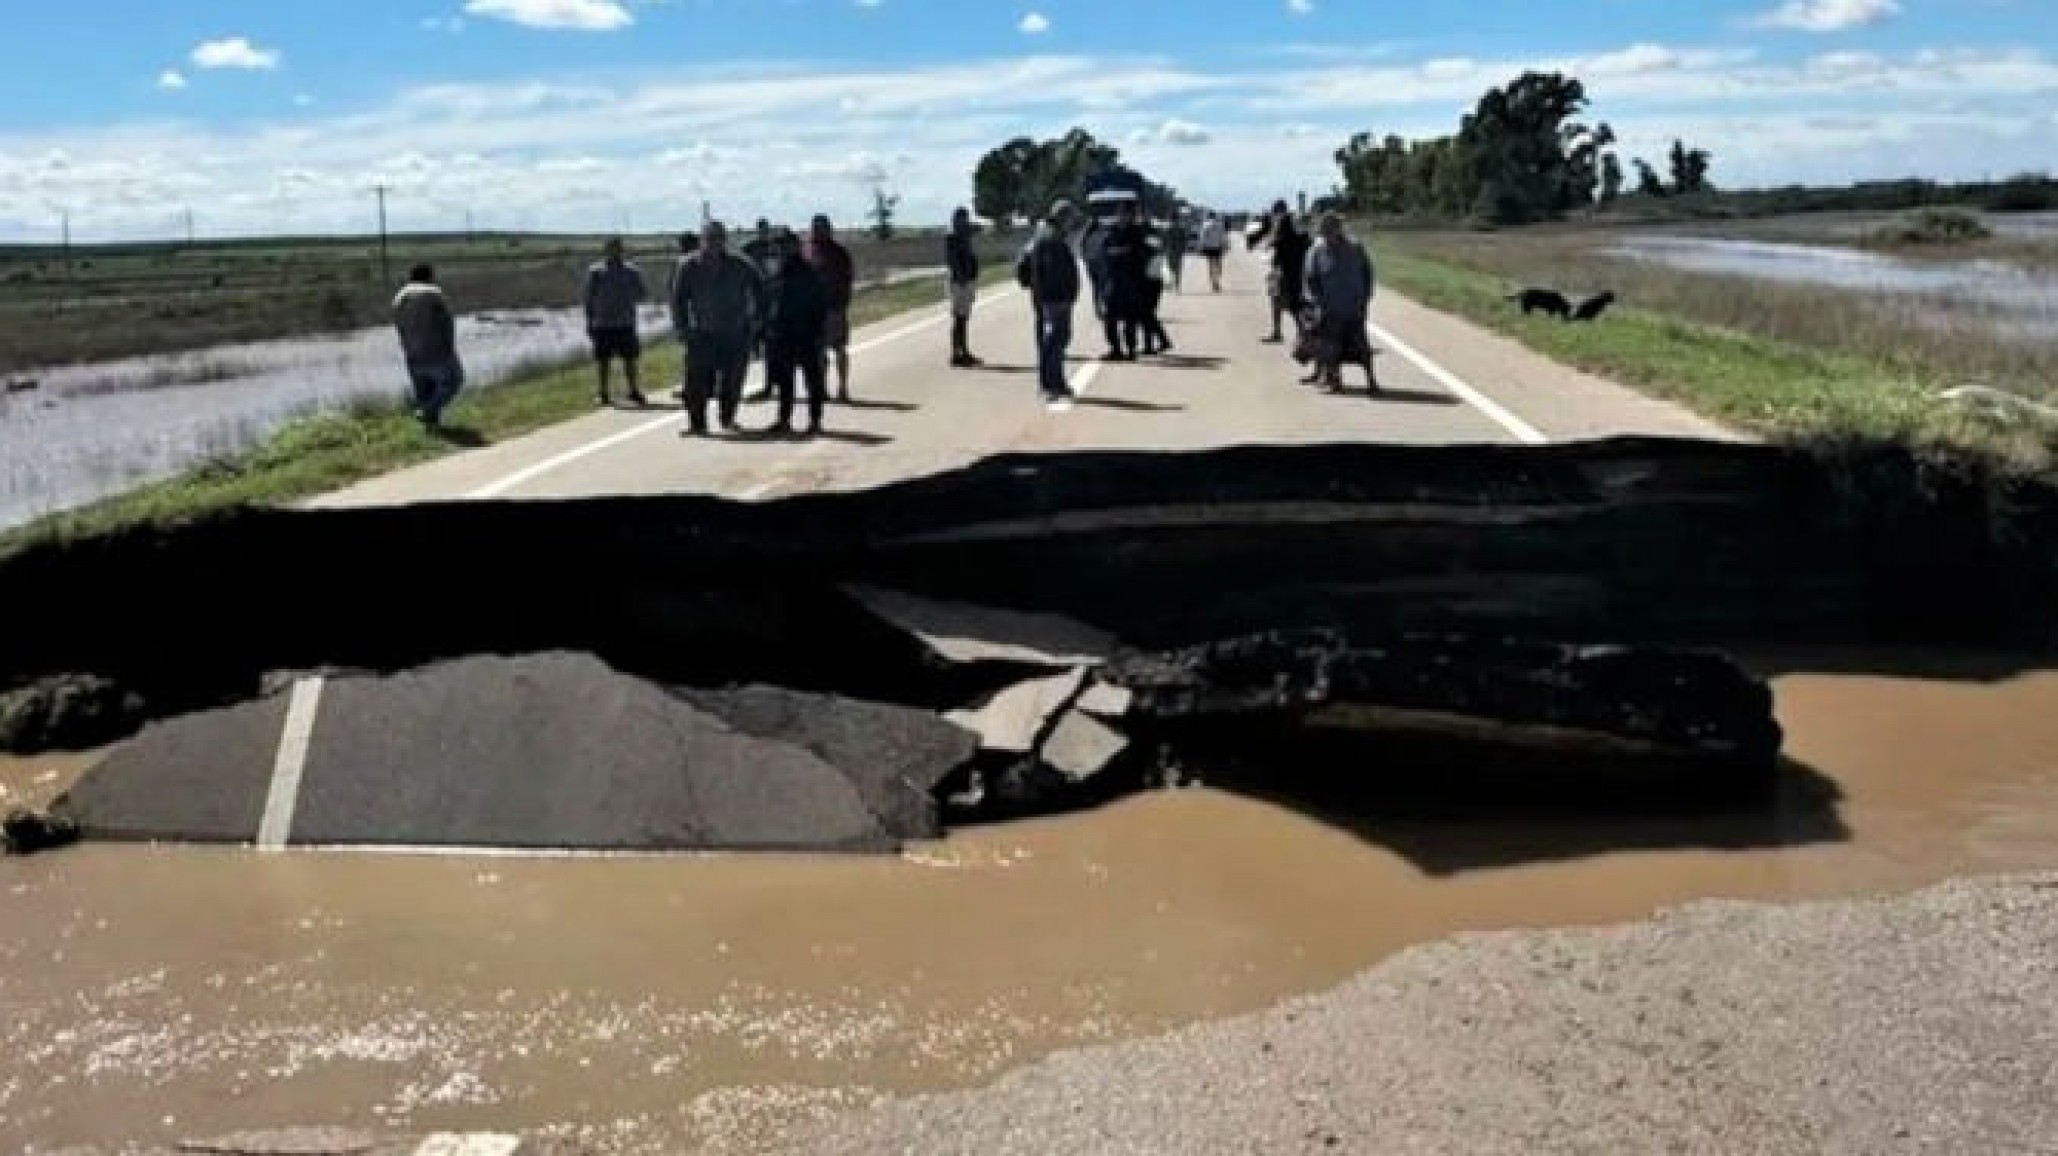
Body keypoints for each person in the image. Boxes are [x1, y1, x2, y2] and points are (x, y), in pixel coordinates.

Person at [671, 219, 766, 436]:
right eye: (709, 238)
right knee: (696, 381)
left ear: (724, 240)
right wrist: (682, 327)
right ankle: (697, 424)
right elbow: (678, 300)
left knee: (732, 381)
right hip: (701, 333)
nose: (714, 243)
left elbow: (760, 289)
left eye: (718, 238)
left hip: (735, 333)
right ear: (702, 240)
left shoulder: (741, 264)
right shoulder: (688, 266)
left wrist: (756, 320)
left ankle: (727, 418)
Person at [1302, 212, 1380, 393]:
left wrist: (1366, 296)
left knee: (1361, 346)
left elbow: (1367, 272)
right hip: (1330, 308)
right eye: (1325, 232)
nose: (1329, 235)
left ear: (1339, 230)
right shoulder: (1317, 251)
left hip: (1354, 307)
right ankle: (1336, 381)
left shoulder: (1356, 248)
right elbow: (1311, 278)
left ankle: (1372, 382)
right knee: (1331, 347)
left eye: (1331, 230)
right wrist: (1317, 302)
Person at [764, 227, 832, 437]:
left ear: (794, 246)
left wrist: (818, 331)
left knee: (812, 380)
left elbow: (820, 303)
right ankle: (784, 419)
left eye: (785, 245)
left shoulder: (808, 271)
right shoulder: (778, 273)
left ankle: (815, 420)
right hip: (784, 334)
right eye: (778, 246)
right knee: (785, 381)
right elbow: (772, 303)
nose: (781, 249)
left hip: (806, 333)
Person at [392, 264, 464, 430]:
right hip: (437, 350)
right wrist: (450, 346)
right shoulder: (433, 293)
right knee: (454, 381)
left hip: (412, 352)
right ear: (429, 277)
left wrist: (406, 347)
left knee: (424, 392)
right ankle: (425, 412)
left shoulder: (399, 297)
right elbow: (447, 322)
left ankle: (431, 427)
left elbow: (399, 327)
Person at [1028, 200, 1081, 409]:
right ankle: (1050, 383)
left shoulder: (1053, 235)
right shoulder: (1050, 237)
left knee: (1058, 340)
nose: (1072, 222)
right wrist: (1061, 293)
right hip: (1055, 297)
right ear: (1062, 217)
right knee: (1054, 341)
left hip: (1057, 297)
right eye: (1070, 217)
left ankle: (1056, 381)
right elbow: (1050, 271)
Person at [584, 237, 649, 408]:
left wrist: (629, 293)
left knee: (630, 359)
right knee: (603, 360)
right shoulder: (596, 271)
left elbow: (642, 294)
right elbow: (589, 299)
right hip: (602, 323)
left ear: (622, 250)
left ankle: (633, 391)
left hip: (625, 322)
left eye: (618, 248)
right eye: (612, 248)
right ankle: (603, 393)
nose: (615, 252)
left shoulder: (632, 271)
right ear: (606, 250)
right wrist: (589, 321)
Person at [806, 214, 857, 402]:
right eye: (816, 228)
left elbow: (848, 278)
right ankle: (822, 388)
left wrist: (842, 302)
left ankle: (842, 387)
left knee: (838, 348)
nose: (818, 231)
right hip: (814, 310)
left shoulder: (839, 253)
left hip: (834, 307)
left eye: (822, 228)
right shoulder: (807, 252)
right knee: (818, 352)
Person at [1099, 202, 1150, 361]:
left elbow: (1143, 255)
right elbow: (1104, 253)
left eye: (1126, 214)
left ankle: (1131, 349)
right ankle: (1115, 349)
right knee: (1110, 318)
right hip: (1113, 281)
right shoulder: (1111, 232)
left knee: (1130, 319)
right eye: (1120, 214)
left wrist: (1124, 253)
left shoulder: (1137, 233)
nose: (1122, 217)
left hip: (1132, 282)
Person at [1263, 203, 1311, 345]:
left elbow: (1270, 249)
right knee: (1296, 305)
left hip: (1282, 276)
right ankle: (1302, 333)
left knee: (1278, 303)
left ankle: (1278, 332)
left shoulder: (1280, 240)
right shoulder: (1303, 239)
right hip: (1299, 276)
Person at [945, 207, 984, 368]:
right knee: (959, 319)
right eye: (962, 218)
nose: (965, 221)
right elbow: (952, 260)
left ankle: (964, 351)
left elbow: (979, 228)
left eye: (965, 218)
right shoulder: (953, 237)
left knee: (963, 318)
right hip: (959, 282)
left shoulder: (964, 235)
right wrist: (961, 277)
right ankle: (956, 353)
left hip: (967, 280)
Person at [1139, 234, 1174, 355]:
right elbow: (1165, 268)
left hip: (1150, 284)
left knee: (1146, 315)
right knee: (1147, 315)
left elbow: (1164, 269)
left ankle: (1158, 343)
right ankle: (1157, 343)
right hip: (1153, 284)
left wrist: (1168, 280)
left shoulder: (1151, 250)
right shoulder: (1154, 248)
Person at [1197, 213, 1228, 292]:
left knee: (1211, 264)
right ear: (1215, 217)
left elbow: (1202, 237)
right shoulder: (1220, 225)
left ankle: (1213, 282)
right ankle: (1216, 280)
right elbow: (1223, 237)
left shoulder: (1205, 225)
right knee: (1218, 264)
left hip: (1209, 247)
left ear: (1208, 217)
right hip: (1218, 247)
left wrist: (1201, 246)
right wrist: (1225, 245)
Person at [1163, 215, 1190, 294]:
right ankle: (1177, 286)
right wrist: (1183, 249)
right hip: (1177, 252)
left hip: (1170, 251)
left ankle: (1172, 285)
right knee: (1177, 269)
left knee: (1170, 269)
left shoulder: (1168, 228)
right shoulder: (1181, 229)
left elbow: (1164, 240)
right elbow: (1184, 240)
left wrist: (1164, 249)